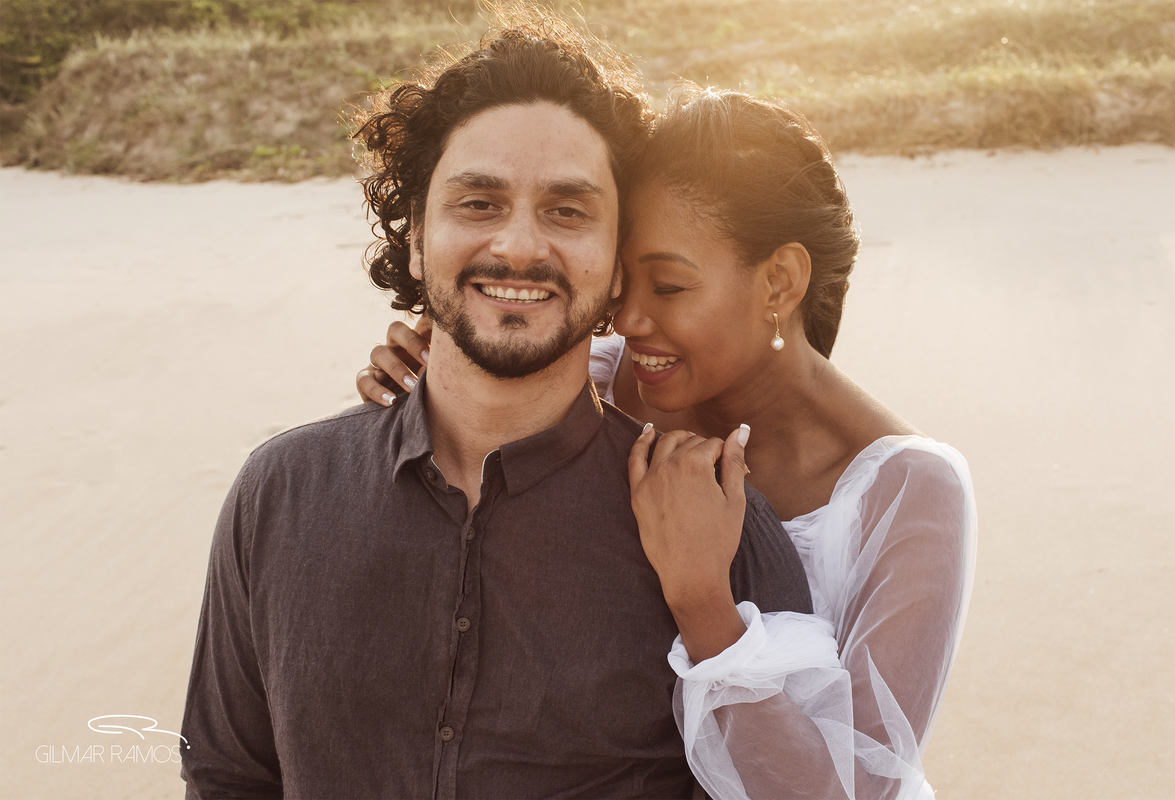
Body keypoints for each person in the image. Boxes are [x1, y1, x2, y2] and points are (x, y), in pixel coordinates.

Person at [179, 13, 814, 800]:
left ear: (618, 264)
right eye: (478, 203)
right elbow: (227, 777)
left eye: (568, 210)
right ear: (416, 239)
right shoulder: (280, 492)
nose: (518, 247)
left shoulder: (718, 528)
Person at [361, 86, 977, 799]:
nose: (627, 319)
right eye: (625, 280)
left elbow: (859, 790)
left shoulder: (905, 491)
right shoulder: (594, 384)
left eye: (670, 287)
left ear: (779, 282)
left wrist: (702, 601)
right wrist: (437, 367)